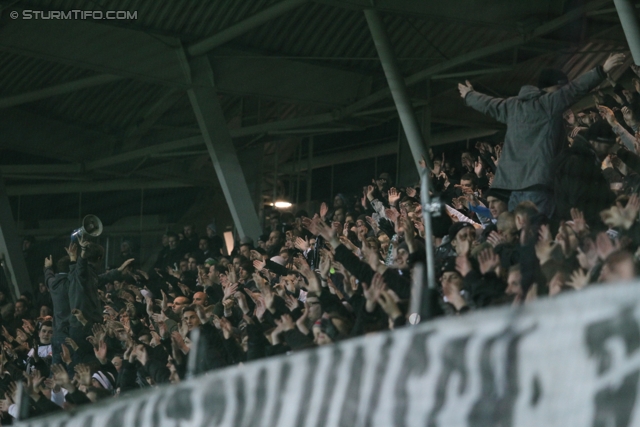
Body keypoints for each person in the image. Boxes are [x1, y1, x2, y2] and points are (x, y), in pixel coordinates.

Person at [458, 53, 626, 217]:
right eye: (560, 88)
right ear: (551, 88)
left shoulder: (512, 106)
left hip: (513, 191)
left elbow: (488, 104)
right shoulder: (549, 103)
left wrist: (469, 95)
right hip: (539, 187)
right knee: (542, 235)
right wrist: (602, 71)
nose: (561, 92)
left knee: (524, 238)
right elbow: (574, 89)